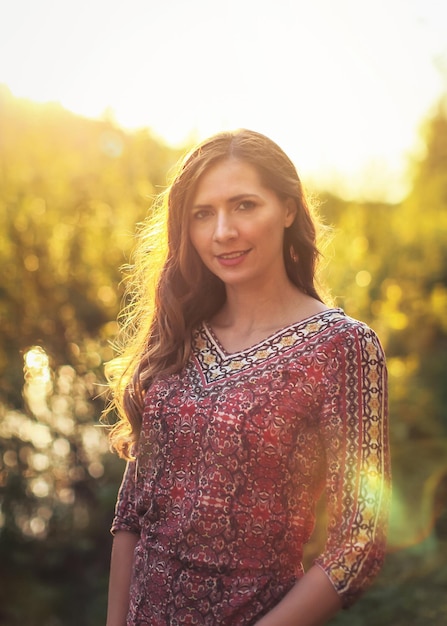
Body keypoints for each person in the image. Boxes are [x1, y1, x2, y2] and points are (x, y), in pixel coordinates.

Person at [105, 129, 391, 626]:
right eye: (203, 214)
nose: (222, 232)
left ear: (287, 209)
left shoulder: (341, 346)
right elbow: (132, 512)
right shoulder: (180, 332)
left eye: (244, 205)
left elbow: (359, 542)